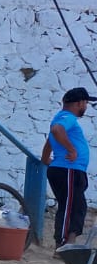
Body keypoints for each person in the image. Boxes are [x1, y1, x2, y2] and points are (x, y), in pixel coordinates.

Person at [43, 87, 89, 248]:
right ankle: (62, 246)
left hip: (70, 169)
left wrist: (45, 158)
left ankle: (70, 242)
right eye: (86, 103)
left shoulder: (59, 118)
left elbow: (50, 140)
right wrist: (72, 149)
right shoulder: (67, 118)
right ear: (79, 103)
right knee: (69, 207)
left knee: (78, 206)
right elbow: (56, 131)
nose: (86, 106)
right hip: (68, 169)